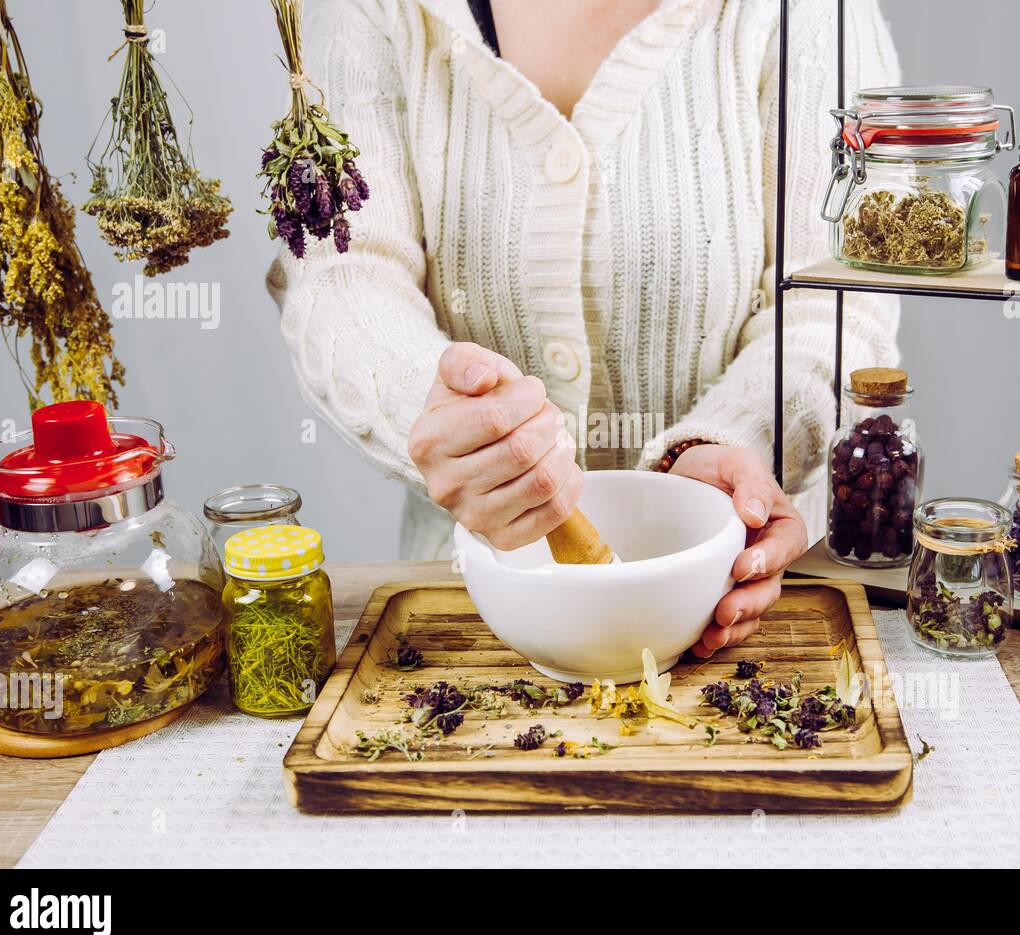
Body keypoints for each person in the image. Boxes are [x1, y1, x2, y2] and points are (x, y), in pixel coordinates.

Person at [269, 0, 902, 658]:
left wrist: (733, 445)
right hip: (474, 610)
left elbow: (841, 295)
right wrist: (426, 410)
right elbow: (341, 275)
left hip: (738, 599)